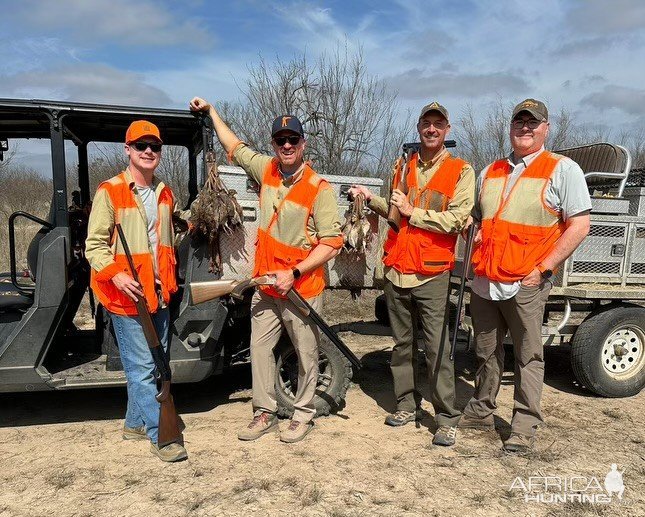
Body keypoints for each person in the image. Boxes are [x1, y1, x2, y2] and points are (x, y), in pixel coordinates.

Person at [189, 97, 344, 443]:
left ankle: (303, 413)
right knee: (259, 350)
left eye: (293, 140)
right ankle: (264, 411)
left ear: (303, 144)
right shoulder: (266, 169)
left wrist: (297, 273)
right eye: (280, 140)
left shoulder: (320, 189)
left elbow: (332, 242)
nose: (287, 145)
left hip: (300, 289)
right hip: (266, 286)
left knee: (306, 353)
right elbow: (234, 146)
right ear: (274, 145)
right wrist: (213, 111)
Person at [460, 99, 591, 453]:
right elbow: (480, 218)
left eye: (533, 123)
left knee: (527, 357)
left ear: (546, 127)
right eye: (520, 121)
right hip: (486, 279)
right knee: (485, 351)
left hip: (525, 283)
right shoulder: (491, 171)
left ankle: (523, 425)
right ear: (511, 126)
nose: (525, 128)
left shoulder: (563, 169)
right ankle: (482, 409)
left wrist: (543, 269)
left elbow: (579, 226)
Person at [349, 102, 475, 446]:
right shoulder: (403, 166)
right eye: (426, 123)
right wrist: (370, 198)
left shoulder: (462, 171)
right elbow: (395, 212)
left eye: (438, 124)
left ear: (447, 130)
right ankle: (406, 404)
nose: (431, 129)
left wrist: (413, 212)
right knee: (402, 345)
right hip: (397, 270)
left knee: (436, 348)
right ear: (419, 126)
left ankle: (447, 417)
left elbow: (458, 221)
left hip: (432, 274)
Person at [86, 120, 188, 462]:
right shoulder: (110, 191)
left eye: (154, 147)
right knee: (145, 367)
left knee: (153, 362)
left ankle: (134, 424)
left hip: (158, 293)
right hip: (126, 297)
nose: (148, 151)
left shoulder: (164, 192)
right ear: (127, 149)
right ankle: (163, 437)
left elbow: (165, 239)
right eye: (141, 145)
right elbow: (94, 246)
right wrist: (116, 275)